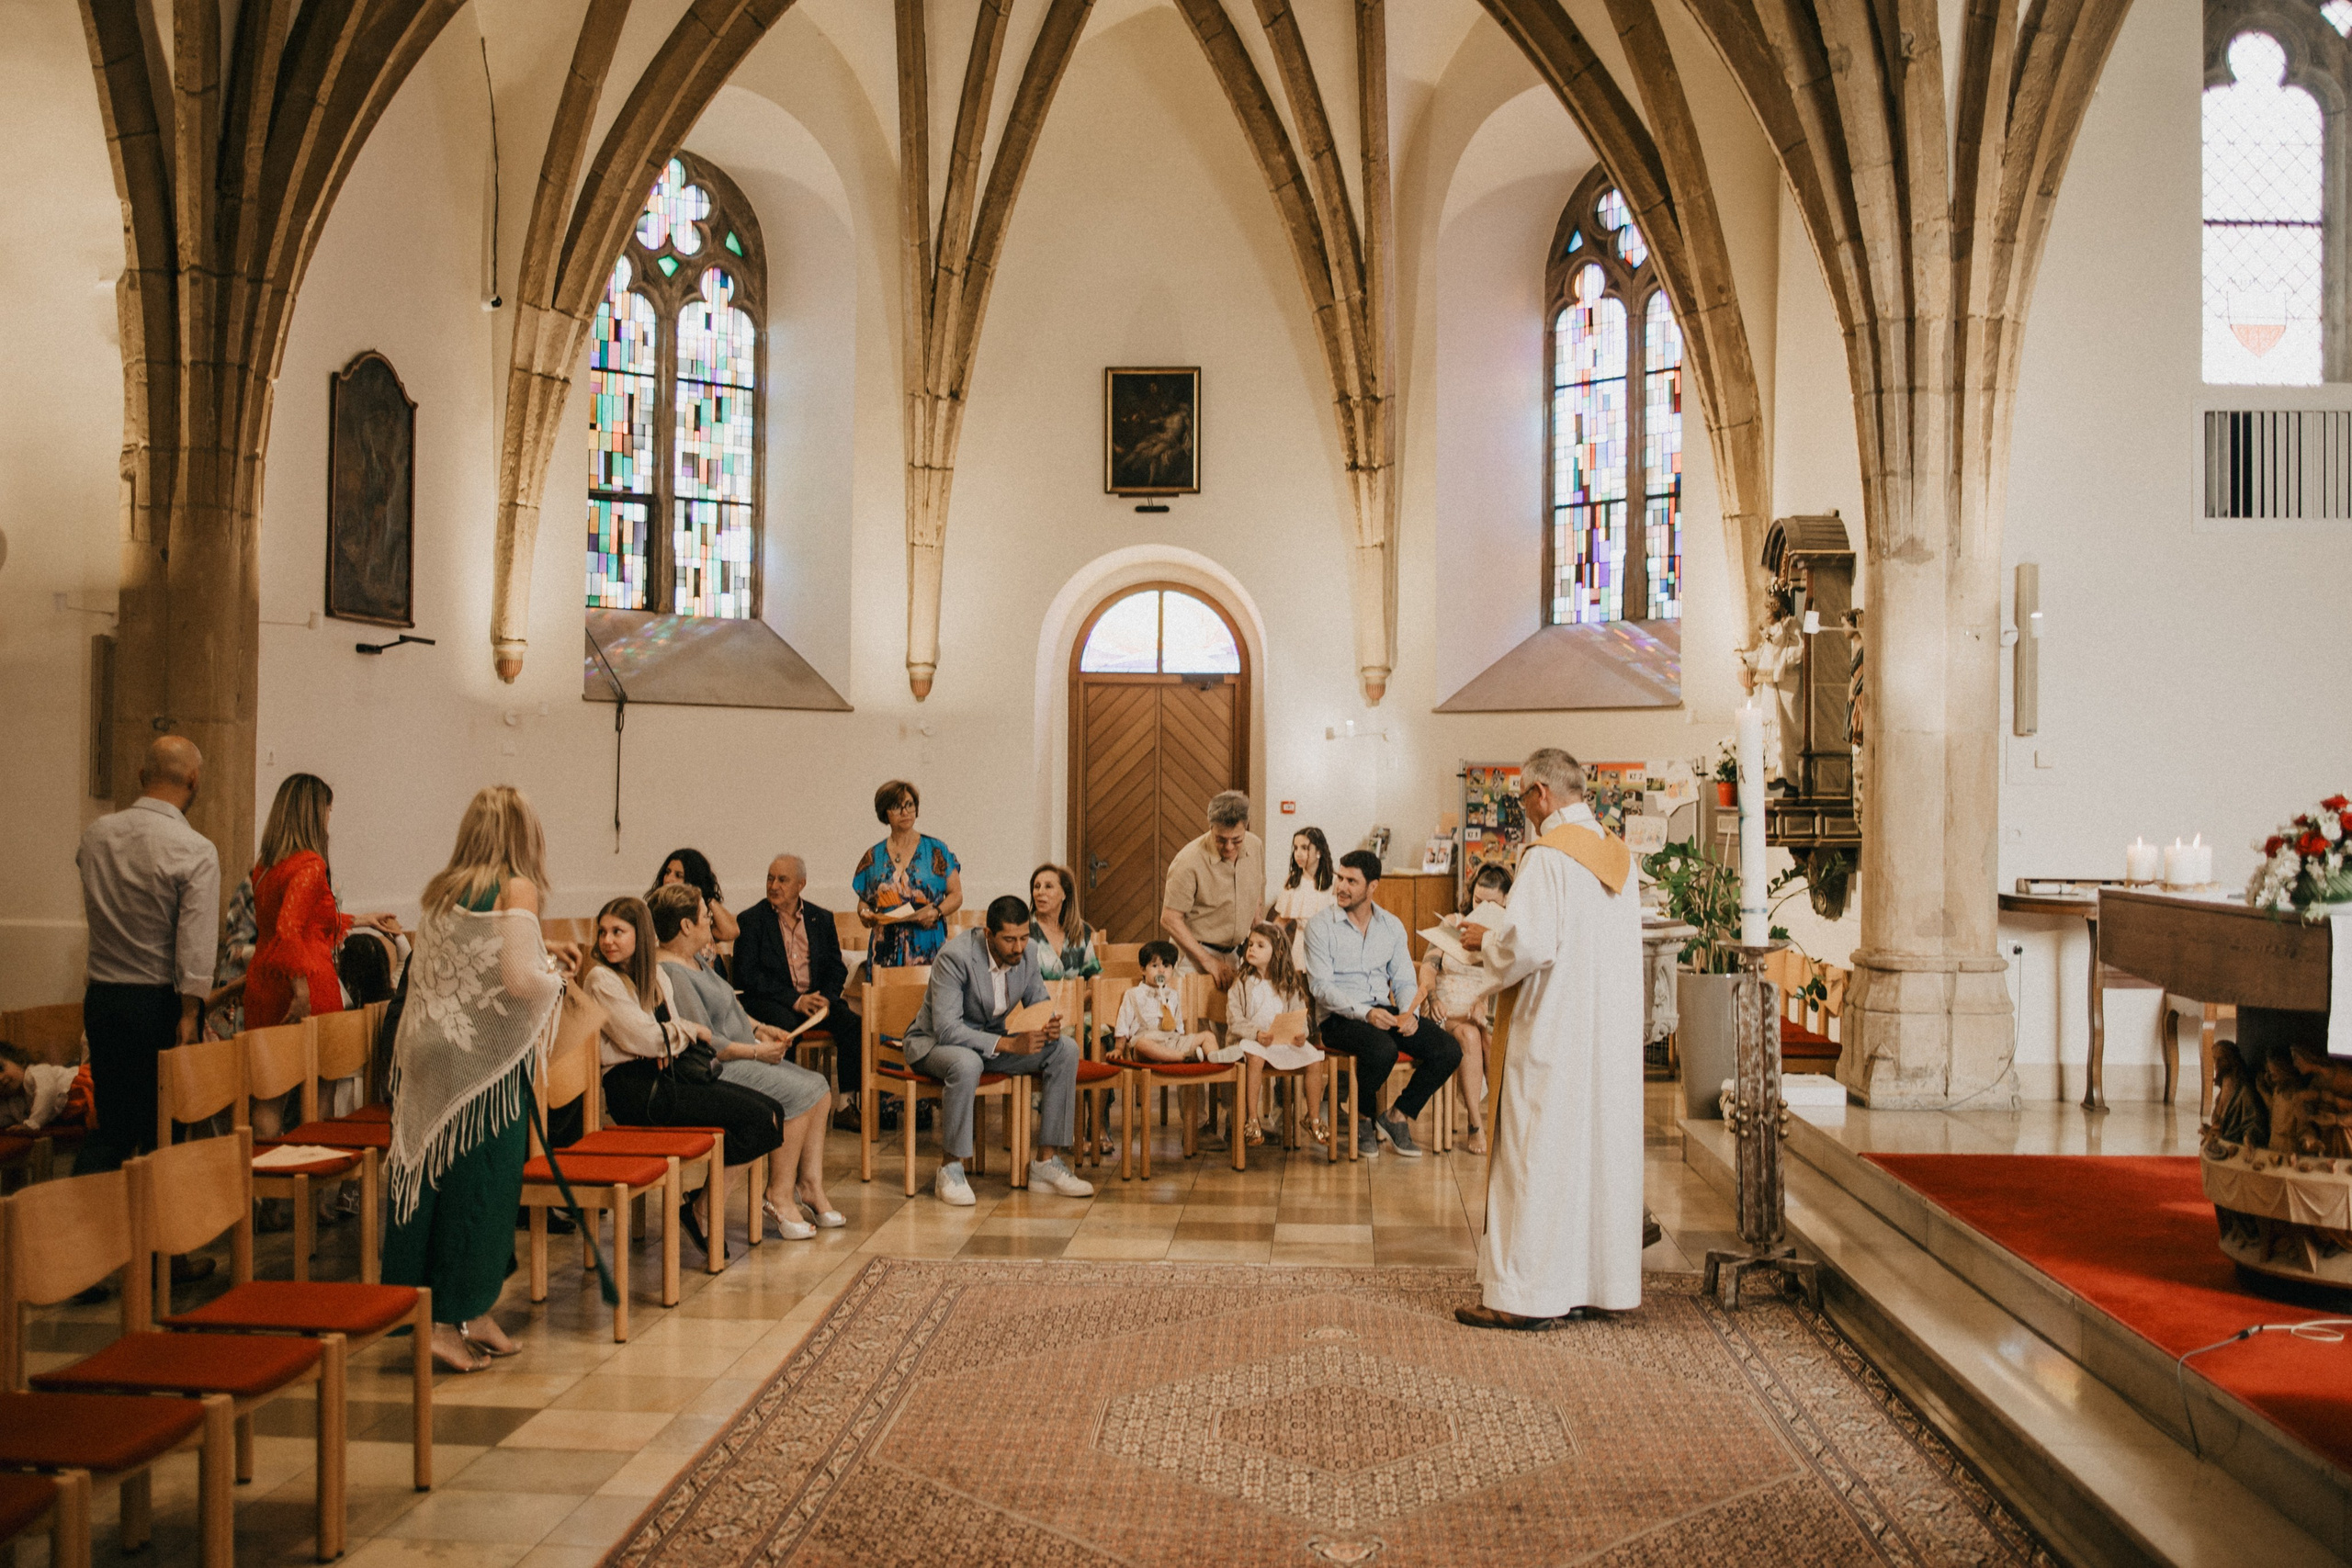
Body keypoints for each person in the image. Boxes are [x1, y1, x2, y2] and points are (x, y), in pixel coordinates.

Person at [1453, 748, 1644, 1330]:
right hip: (1604, 1038)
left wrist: (1481, 939)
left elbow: (1527, 946)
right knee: (1592, 1158)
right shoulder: (1619, 858)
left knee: (1532, 1155)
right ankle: (1593, 1286)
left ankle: (1521, 1297)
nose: (1523, 809)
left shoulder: (1547, 857)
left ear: (1541, 793)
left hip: (1552, 1032)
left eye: (1522, 798)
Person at [381, 785, 569, 1373]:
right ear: (524, 835)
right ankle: (443, 1324)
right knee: (482, 1189)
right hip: (482, 1067)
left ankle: (472, 1311)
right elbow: (517, 979)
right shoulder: (518, 887)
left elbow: (472, 960)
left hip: (431, 1052)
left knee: (432, 1183)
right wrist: (557, 978)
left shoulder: (442, 890)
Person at [582, 897, 786, 1260]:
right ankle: (703, 1213)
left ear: (640, 935)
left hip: (671, 1075)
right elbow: (643, 1037)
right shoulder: (601, 979)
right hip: (634, 1090)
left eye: (618, 932)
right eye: (602, 932)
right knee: (757, 1119)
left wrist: (669, 1038)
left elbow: (662, 1037)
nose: (607, 941)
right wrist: (686, 1032)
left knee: (773, 1115)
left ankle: (700, 1207)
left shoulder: (656, 975)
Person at [650, 885, 839, 1239]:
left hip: (741, 1051)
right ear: (686, 926)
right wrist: (756, 1051)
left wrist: (762, 1028)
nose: (711, 922)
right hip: (718, 1066)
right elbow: (705, 1040)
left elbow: (732, 1008)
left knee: (821, 1088)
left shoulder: (696, 960)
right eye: (705, 916)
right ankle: (779, 1195)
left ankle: (809, 1184)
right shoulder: (672, 972)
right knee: (800, 1094)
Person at [74, 735, 220, 1179]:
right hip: (157, 1005)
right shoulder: (194, 850)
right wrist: (190, 1015)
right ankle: (164, 1248)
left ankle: (80, 1235)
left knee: (111, 1129)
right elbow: (194, 947)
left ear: (141, 776)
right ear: (194, 781)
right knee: (165, 1131)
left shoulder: (96, 835)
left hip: (102, 1001)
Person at [901, 896, 1095, 1206]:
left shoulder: (1029, 953)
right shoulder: (955, 957)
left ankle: (1046, 1163)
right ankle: (950, 1169)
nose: (1018, 948)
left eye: (1023, 938)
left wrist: (1048, 1025)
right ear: (989, 935)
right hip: (934, 1045)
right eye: (1009, 940)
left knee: (1065, 1049)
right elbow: (947, 1029)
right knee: (966, 1064)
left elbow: (1039, 1003)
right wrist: (1007, 1044)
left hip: (988, 1042)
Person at [1304, 850, 1459, 1160]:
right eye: (1340, 879)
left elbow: (1403, 981)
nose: (1341, 887)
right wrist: (1366, 1013)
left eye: (1351, 881)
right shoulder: (1320, 926)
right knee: (1381, 1049)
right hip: (1339, 1018)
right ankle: (1363, 1118)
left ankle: (1397, 1116)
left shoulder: (1391, 925)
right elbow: (1321, 987)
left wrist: (1408, 1015)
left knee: (1448, 1049)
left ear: (1372, 886)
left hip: (1382, 1011)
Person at [245, 773, 398, 1032]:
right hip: (304, 989)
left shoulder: (265, 867)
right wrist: (301, 991)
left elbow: (308, 921)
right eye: (328, 811)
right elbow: (289, 929)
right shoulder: (310, 865)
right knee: (315, 1068)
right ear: (315, 815)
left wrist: (363, 919)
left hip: (263, 983)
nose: (329, 819)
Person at [733, 854, 859, 1126]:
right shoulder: (751, 920)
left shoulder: (821, 918)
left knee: (851, 1023)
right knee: (784, 1024)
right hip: (774, 1001)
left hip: (815, 999)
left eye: (782, 879)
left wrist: (825, 998)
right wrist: (795, 1000)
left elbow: (836, 967)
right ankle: (781, 1103)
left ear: (801, 884)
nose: (773, 885)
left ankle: (846, 1104)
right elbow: (748, 975)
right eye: (770, 878)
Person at [1418, 863, 1511, 1155]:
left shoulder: (1507, 933)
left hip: (1480, 1006)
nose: (1482, 908)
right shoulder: (1454, 921)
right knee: (1470, 1037)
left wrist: (1483, 1001)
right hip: (1445, 1006)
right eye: (1478, 901)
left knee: (1487, 1038)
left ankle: (1503, 1122)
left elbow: (1506, 980)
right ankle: (1475, 1124)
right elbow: (1429, 967)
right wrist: (1432, 998)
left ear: (1506, 901)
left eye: (1491, 903)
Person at [1227, 921, 1320, 1147]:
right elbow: (1234, 1020)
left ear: (1277, 952)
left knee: (1315, 1059)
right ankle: (1252, 1120)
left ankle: (1313, 1118)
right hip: (1251, 1040)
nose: (1252, 949)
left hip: (1282, 1041)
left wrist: (1301, 1034)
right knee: (1256, 1058)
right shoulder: (1241, 983)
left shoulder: (1288, 984)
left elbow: (1300, 1016)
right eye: (1250, 944)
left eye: (1260, 945)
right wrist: (1256, 1033)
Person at [852, 780, 963, 969]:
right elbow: (864, 901)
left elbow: (956, 895)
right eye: (896, 806)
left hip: (927, 942)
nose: (905, 812)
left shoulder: (937, 849)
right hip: (885, 946)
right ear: (885, 812)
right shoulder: (873, 856)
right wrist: (864, 913)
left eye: (909, 805)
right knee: (885, 998)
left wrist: (936, 912)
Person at [1161, 789, 1264, 987]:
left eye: (1236, 840)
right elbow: (1170, 919)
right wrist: (1208, 961)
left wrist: (1258, 930)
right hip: (1194, 956)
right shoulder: (1188, 861)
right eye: (1220, 839)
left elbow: (1255, 894)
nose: (1229, 847)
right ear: (1210, 827)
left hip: (1235, 954)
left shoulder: (1255, 846)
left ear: (1246, 826)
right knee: (1193, 1017)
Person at [1112, 942, 1226, 1063]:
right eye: (1155, 966)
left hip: (1172, 1041)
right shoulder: (1133, 994)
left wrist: (1184, 1041)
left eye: (1166, 966)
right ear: (1143, 969)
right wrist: (1119, 1048)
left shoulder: (1173, 995)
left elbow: (1179, 1027)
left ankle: (1216, 1058)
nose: (1161, 971)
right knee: (1142, 1044)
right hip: (1148, 1043)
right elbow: (1123, 1024)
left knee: (1208, 1036)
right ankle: (1183, 1057)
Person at [1268, 826, 1337, 968]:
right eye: (1296, 848)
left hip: (1328, 946)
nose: (1298, 853)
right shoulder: (1293, 881)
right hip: (1301, 946)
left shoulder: (1335, 882)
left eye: (1304, 848)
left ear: (1318, 851)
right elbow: (1281, 921)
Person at [651, 848, 738, 947]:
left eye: (678, 875)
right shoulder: (656, 910)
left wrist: (704, 894)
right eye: (667, 872)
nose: (668, 879)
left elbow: (731, 932)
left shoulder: (701, 913)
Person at [1028, 864, 1101, 980]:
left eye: (1048, 886)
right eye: (1037, 886)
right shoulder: (1023, 929)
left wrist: (1078, 997)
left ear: (1064, 894)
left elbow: (1093, 978)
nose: (1040, 892)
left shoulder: (1079, 931)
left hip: (1075, 998)